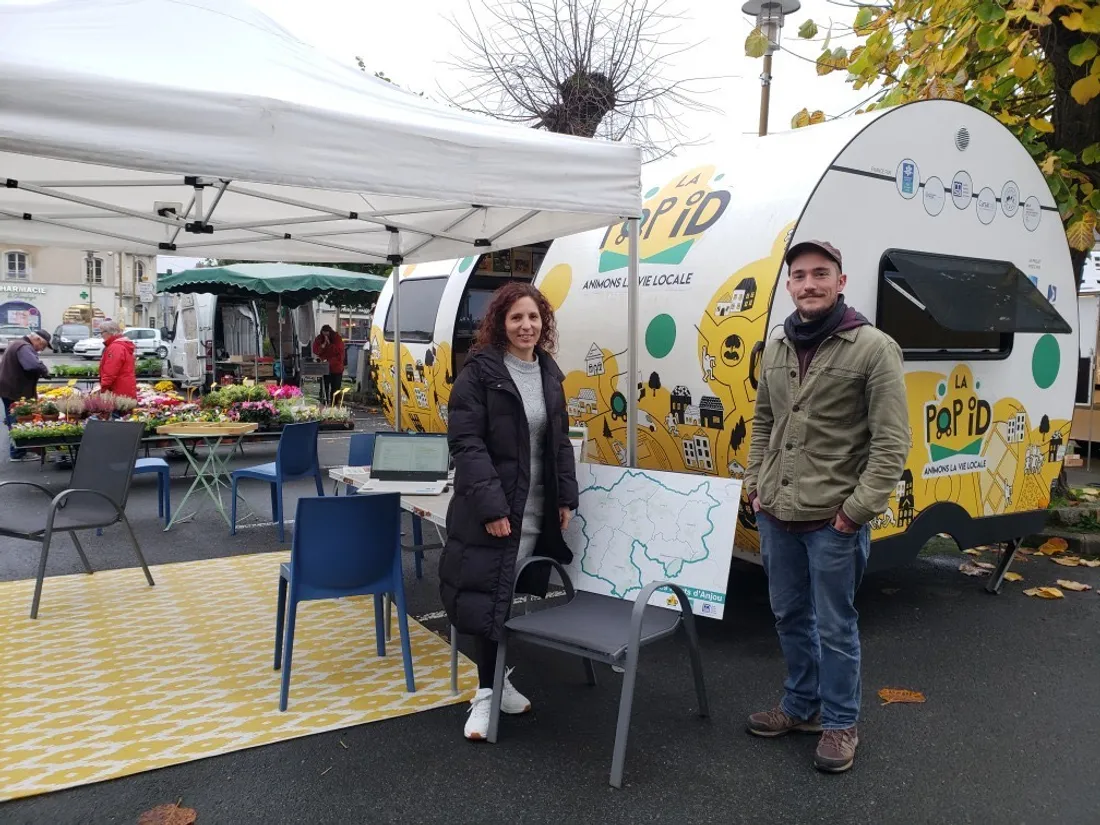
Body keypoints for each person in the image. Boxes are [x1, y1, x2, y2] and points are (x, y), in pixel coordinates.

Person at [743, 240, 908, 774]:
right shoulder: (777, 346)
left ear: (841, 281)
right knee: (790, 615)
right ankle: (800, 706)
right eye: (799, 275)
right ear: (788, 285)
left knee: (835, 626)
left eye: (820, 274)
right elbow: (765, 421)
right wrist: (754, 483)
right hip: (777, 513)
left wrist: (854, 513)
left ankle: (840, 723)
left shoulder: (873, 348)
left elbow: (891, 444)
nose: (808, 283)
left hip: (832, 521)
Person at [439, 281, 579, 741]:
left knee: (505, 594)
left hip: (535, 506)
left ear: (545, 323)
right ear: (500, 322)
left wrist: (565, 497)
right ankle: (484, 694)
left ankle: (498, 681)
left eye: (534, 317)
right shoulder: (478, 373)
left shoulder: (549, 374)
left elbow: (557, 443)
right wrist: (491, 506)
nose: (526, 325)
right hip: (495, 509)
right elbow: (466, 442)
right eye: (516, 317)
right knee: (488, 597)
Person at [0, 328, 52, 461]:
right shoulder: (24, 347)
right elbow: (31, 365)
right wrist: (44, 370)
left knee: (14, 418)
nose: (40, 350)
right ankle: (17, 453)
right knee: (17, 420)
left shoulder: (18, 343)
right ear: (37, 339)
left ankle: (19, 450)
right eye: (42, 346)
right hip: (14, 390)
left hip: (9, 388)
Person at [98, 321, 137, 399]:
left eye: (101, 332)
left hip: (118, 391)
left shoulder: (115, 347)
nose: (101, 335)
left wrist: (102, 388)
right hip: (124, 388)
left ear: (109, 332)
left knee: (119, 410)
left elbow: (110, 371)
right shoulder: (121, 345)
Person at [312, 325, 345, 404]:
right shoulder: (319, 339)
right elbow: (316, 350)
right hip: (324, 366)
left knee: (336, 387)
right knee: (324, 386)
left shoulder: (337, 338)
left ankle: (335, 403)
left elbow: (338, 351)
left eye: (327, 334)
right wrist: (323, 346)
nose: (325, 336)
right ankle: (324, 401)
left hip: (336, 367)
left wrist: (329, 344)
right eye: (324, 334)